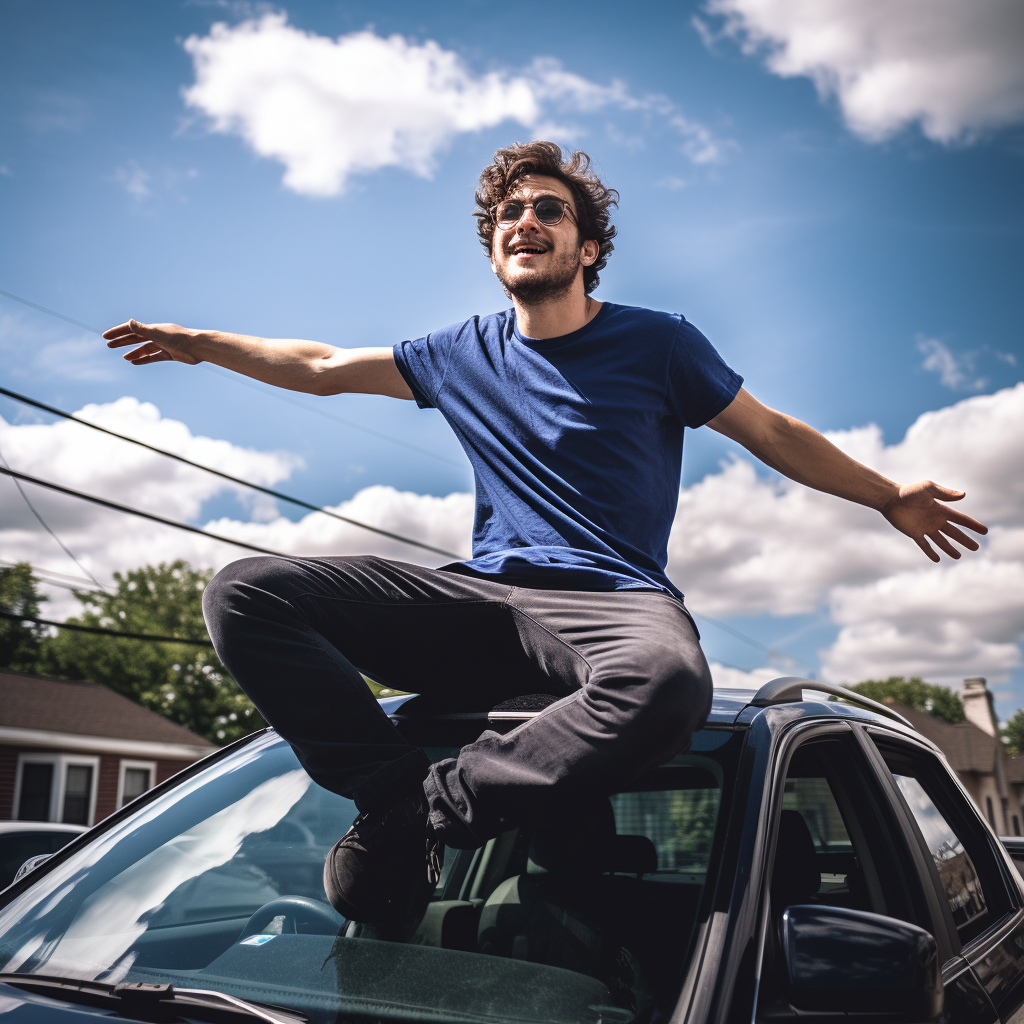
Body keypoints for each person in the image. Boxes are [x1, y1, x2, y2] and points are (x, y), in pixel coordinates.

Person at [103, 141, 987, 930]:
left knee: (669, 681)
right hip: (483, 600)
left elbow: (773, 432)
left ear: (586, 247)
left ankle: (437, 808)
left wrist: (886, 494)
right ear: (496, 251)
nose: (525, 219)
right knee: (247, 593)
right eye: (508, 213)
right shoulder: (461, 352)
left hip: (609, 600)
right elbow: (326, 367)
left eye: (548, 209)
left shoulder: (660, 345)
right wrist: (202, 343)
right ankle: (390, 801)